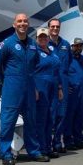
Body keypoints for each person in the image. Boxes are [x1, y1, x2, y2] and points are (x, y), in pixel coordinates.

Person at [0, 13, 47, 165]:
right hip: (12, 88)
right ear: (14, 25)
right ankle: (5, 153)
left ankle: (34, 152)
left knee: (31, 121)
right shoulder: (7, 44)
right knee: (8, 122)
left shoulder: (32, 44)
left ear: (28, 25)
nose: (23, 23)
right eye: (19, 21)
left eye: (25, 21)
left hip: (29, 87)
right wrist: (6, 81)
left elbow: (35, 64)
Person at [32, 28, 64, 158]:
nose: (43, 39)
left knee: (51, 118)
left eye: (45, 37)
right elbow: (30, 72)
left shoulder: (52, 53)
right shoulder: (34, 53)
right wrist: (34, 88)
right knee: (41, 119)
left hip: (53, 87)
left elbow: (57, 72)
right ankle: (41, 148)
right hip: (41, 87)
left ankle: (48, 146)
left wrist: (60, 88)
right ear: (37, 39)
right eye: (40, 37)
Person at [47, 18, 73, 153]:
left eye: (57, 27)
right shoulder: (44, 43)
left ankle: (57, 142)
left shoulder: (65, 45)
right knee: (49, 115)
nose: (55, 29)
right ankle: (47, 144)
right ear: (48, 28)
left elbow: (68, 63)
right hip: (50, 84)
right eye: (53, 27)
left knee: (61, 115)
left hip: (63, 81)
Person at [63, 37, 83, 149]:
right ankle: (68, 142)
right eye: (76, 46)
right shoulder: (67, 59)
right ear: (72, 46)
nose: (79, 48)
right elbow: (62, 73)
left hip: (81, 93)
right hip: (71, 93)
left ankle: (78, 140)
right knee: (69, 117)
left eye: (80, 46)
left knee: (79, 116)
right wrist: (65, 86)